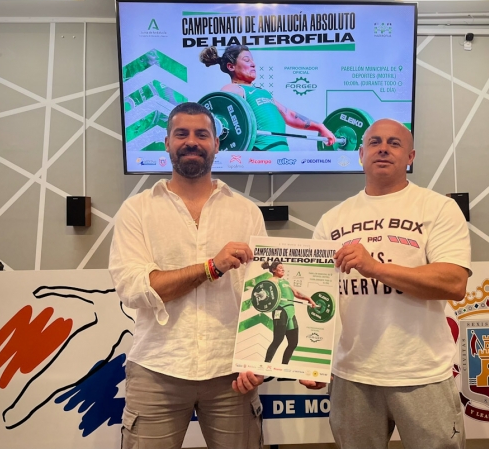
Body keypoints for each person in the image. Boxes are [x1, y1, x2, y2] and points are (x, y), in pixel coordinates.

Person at [302, 119, 471, 449]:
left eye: (394, 143)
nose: (383, 149)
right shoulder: (332, 219)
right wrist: (312, 360)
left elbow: (454, 282)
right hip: (352, 375)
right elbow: (316, 296)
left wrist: (376, 268)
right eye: (375, 142)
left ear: (410, 157)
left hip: (421, 373)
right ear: (361, 154)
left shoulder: (438, 208)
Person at [109, 102, 267, 449]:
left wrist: (260, 360)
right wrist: (211, 268)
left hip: (231, 373)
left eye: (202, 134)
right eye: (181, 134)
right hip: (157, 368)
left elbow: (263, 295)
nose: (191, 141)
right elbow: (135, 289)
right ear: (167, 142)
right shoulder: (137, 210)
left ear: (217, 144)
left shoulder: (247, 212)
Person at [200, 45, 336, 151]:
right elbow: (220, 117)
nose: (253, 64)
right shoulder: (234, 89)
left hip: (283, 158)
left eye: (253, 60)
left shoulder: (262, 92)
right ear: (231, 66)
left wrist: (320, 127)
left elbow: (289, 115)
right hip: (261, 159)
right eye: (247, 60)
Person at [257, 259, 316, 364]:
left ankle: (284, 367)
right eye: (280, 268)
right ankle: (265, 365)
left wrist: (309, 299)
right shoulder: (272, 280)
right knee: (278, 340)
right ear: (274, 270)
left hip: (291, 312)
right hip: (280, 311)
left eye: (283, 268)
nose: (283, 269)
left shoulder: (286, 282)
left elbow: (296, 293)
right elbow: (263, 292)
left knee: (293, 343)